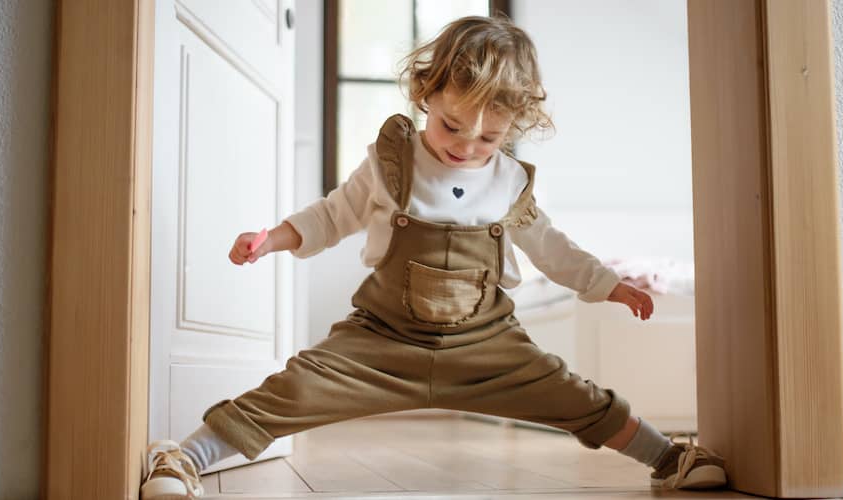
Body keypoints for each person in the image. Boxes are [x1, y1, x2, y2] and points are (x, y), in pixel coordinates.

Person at [141, 15, 726, 499]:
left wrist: (608, 285)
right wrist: (274, 238)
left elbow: (551, 248)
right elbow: (332, 215)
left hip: (488, 346)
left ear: (513, 127)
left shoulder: (511, 183)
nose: (467, 146)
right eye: (451, 125)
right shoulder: (391, 162)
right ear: (427, 93)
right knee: (295, 388)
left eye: (489, 138)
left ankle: (667, 457)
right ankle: (183, 458)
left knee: (576, 396)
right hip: (382, 338)